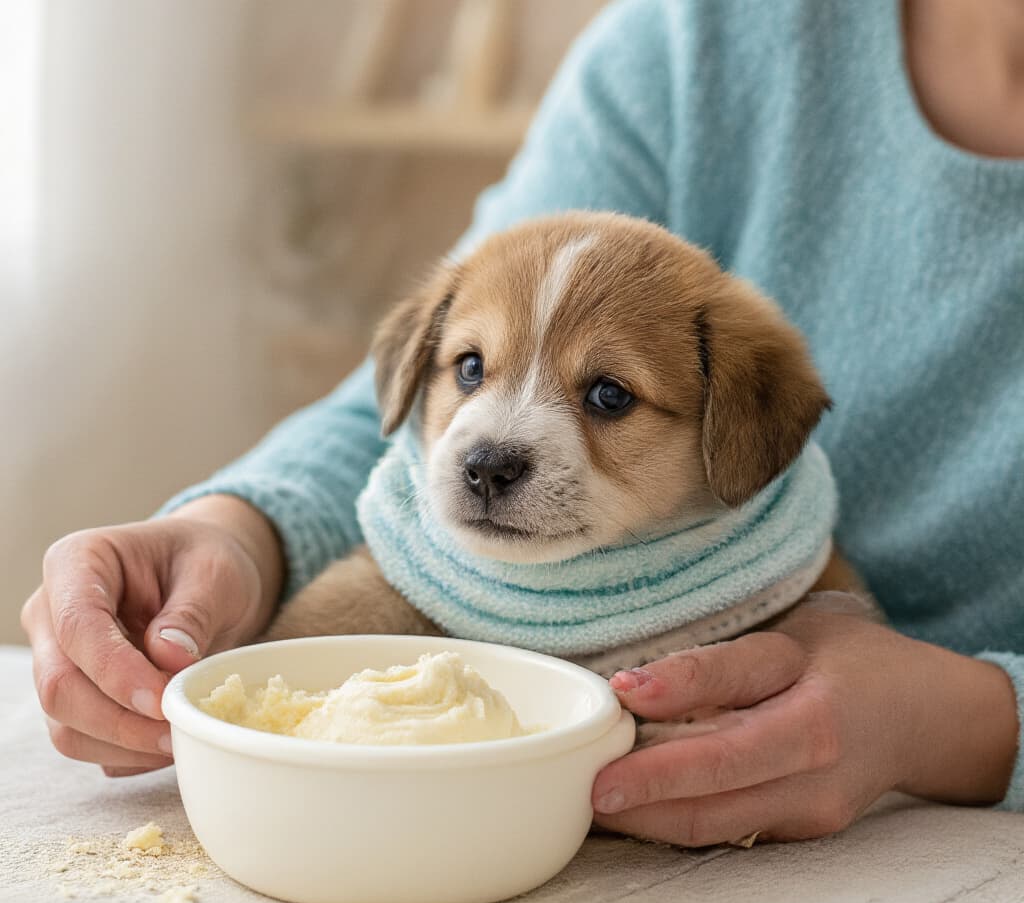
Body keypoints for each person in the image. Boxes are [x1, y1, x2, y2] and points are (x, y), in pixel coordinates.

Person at [21, 0, 1023, 845]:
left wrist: (970, 721)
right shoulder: (707, 34)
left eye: (606, 396)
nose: (496, 446)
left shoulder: (767, 475)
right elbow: (393, 429)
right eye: (474, 371)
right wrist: (236, 531)